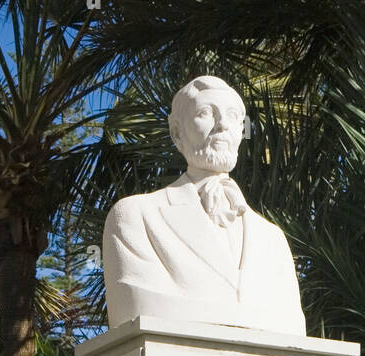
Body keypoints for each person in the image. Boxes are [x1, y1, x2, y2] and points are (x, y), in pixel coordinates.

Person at [103, 75, 306, 334]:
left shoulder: (272, 239)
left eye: (233, 116)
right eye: (206, 112)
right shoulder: (135, 217)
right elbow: (139, 308)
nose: (222, 125)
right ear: (177, 131)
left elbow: (292, 324)